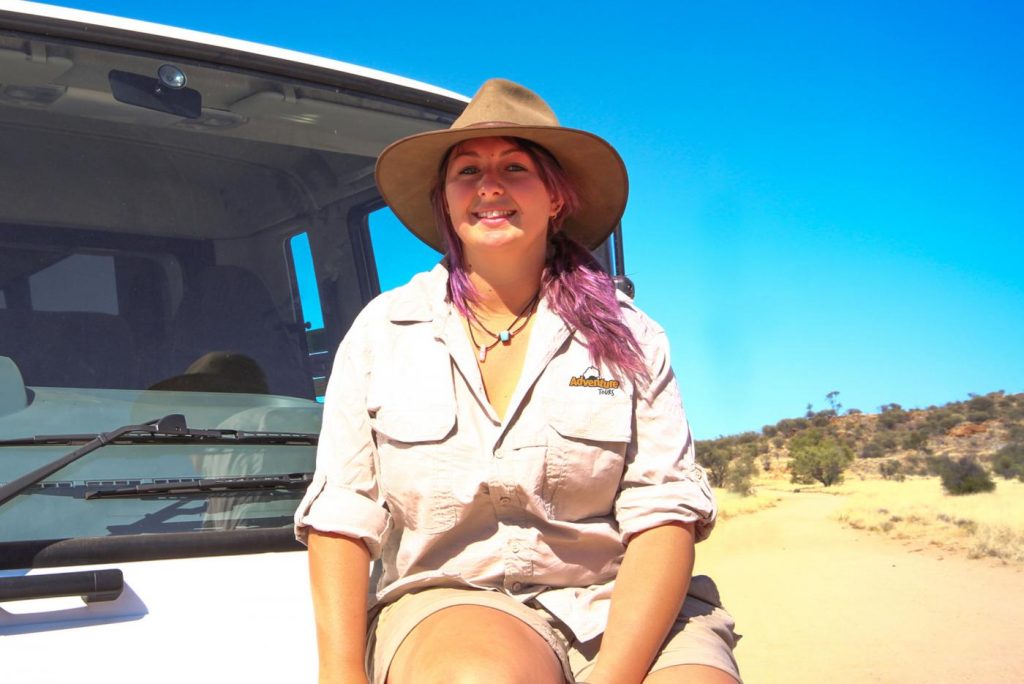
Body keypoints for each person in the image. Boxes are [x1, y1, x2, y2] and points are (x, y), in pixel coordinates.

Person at [294, 79, 740, 684]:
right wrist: (341, 676)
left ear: (557, 198)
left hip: (621, 604)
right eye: (468, 170)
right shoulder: (383, 333)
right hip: (456, 598)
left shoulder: (633, 336)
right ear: (446, 201)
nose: (490, 186)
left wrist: (616, 673)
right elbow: (342, 516)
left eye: (516, 168)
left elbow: (663, 515)